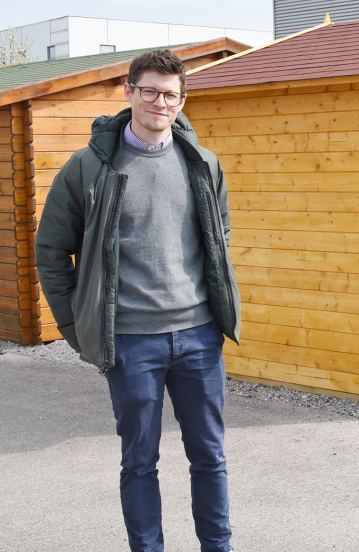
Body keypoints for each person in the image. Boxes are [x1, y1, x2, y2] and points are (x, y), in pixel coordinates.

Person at [35, 49, 241, 552]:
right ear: (128, 92)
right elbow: (50, 251)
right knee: (139, 462)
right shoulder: (89, 168)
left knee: (210, 457)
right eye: (148, 90)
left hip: (197, 337)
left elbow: (219, 238)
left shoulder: (202, 163)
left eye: (170, 94)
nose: (159, 102)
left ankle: (219, 546)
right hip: (131, 342)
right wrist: (76, 329)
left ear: (182, 100)